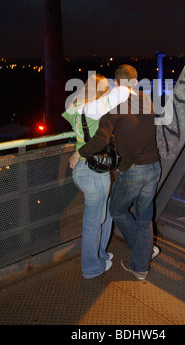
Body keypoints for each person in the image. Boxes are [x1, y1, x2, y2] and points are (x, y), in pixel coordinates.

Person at [69, 65, 161, 281]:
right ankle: (141, 265)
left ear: (117, 83)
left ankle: (142, 253)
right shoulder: (146, 100)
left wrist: (78, 153)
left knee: (116, 210)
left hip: (133, 169)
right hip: (154, 166)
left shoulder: (116, 105)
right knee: (145, 219)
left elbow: (100, 139)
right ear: (136, 81)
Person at [63, 73, 129, 279]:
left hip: (83, 169)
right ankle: (91, 268)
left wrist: (93, 85)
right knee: (94, 222)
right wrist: (112, 83)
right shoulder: (96, 107)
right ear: (100, 91)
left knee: (104, 215)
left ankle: (100, 254)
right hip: (93, 171)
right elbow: (125, 91)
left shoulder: (74, 107)